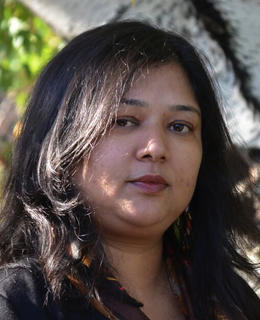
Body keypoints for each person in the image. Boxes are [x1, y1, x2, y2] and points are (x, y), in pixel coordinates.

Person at [0, 20, 259, 320]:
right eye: (124, 121)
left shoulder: (233, 302)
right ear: (60, 143)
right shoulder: (20, 301)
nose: (156, 147)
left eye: (180, 126)